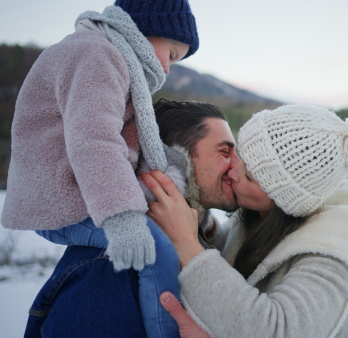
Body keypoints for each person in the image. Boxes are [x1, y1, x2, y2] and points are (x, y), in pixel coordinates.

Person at [2, 0, 200, 336]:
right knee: (159, 253)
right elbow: (94, 140)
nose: (167, 69)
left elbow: (119, 139)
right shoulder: (97, 55)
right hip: (61, 198)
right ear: (149, 30)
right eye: (172, 55)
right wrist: (122, 217)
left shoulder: (109, 56)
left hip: (76, 193)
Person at [142, 104, 348, 337]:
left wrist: (188, 246)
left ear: (283, 198)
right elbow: (245, 254)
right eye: (240, 157)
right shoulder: (266, 215)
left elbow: (278, 331)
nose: (233, 171)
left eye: (249, 176)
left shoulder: (336, 250)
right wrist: (203, 226)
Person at [23, 99, 238, 338]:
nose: (237, 165)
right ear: (176, 161)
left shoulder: (190, 245)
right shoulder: (111, 267)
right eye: (224, 152)